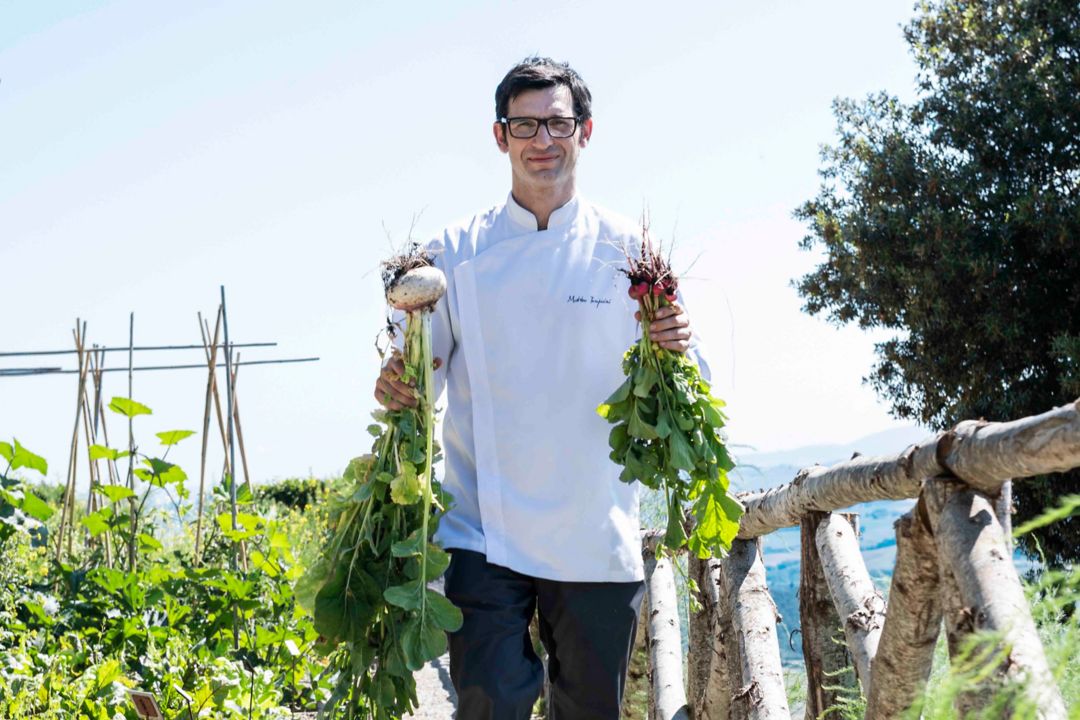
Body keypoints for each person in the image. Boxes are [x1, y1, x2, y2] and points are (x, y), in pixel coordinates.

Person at [374, 56, 707, 720]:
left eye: (557, 123)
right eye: (524, 126)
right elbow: (418, 375)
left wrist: (678, 344)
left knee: (589, 711)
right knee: (488, 701)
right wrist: (396, 384)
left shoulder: (630, 252)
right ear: (501, 137)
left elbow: (688, 382)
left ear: (585, 131)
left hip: (595, 526)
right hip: (481, 526)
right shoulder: (454, 252)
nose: (542, 141)